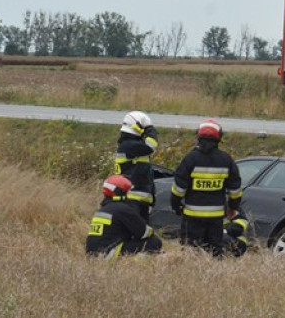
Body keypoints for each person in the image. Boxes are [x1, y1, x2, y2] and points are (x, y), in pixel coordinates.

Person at [170, 119, 243, 256]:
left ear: (199, 136)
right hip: (215, 219)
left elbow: (179, 187)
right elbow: (235, 189)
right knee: (215, 253)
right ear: (219, 138)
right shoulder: (226, 160)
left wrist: (176, 205)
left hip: (192, 217)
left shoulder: (190, 158)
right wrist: (233, 207)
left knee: (191, 253)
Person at [86, 175, 162, 259]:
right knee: (154, 242)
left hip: (91, 255)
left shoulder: (102, 210)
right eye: (127, 191)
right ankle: (137, 262)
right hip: (108, 254)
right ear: (121, 192)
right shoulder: (123, 209)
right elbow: (145, 233)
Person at [112, 110, 160, 220]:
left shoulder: (130, 145)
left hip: (137, 200)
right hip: (132, 200)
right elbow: (151, 145)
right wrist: (150, 129)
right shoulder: (129, 145)